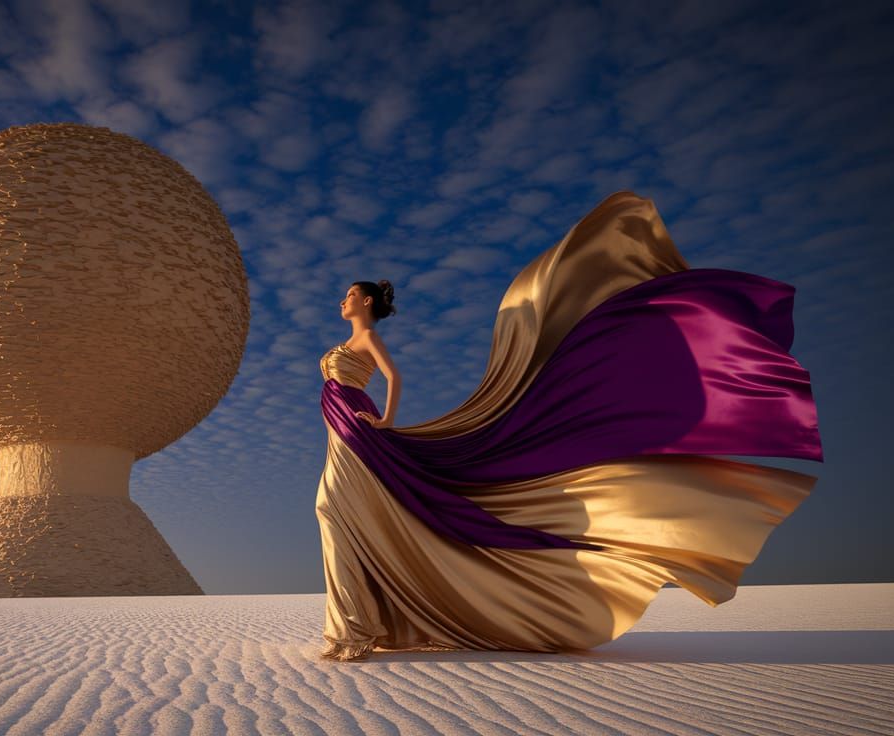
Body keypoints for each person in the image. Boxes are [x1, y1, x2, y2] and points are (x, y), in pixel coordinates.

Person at [314, 190, 824, 662]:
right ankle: (357, 625)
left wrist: (387, 419)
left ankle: (354, 630)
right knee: (342, 514)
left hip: (358, 435)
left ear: (365, 303)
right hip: (345, 434)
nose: (342, 301)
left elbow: (395, 376)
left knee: (336, 510)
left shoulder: (365, 341)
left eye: (348, 296)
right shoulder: (349, 341)